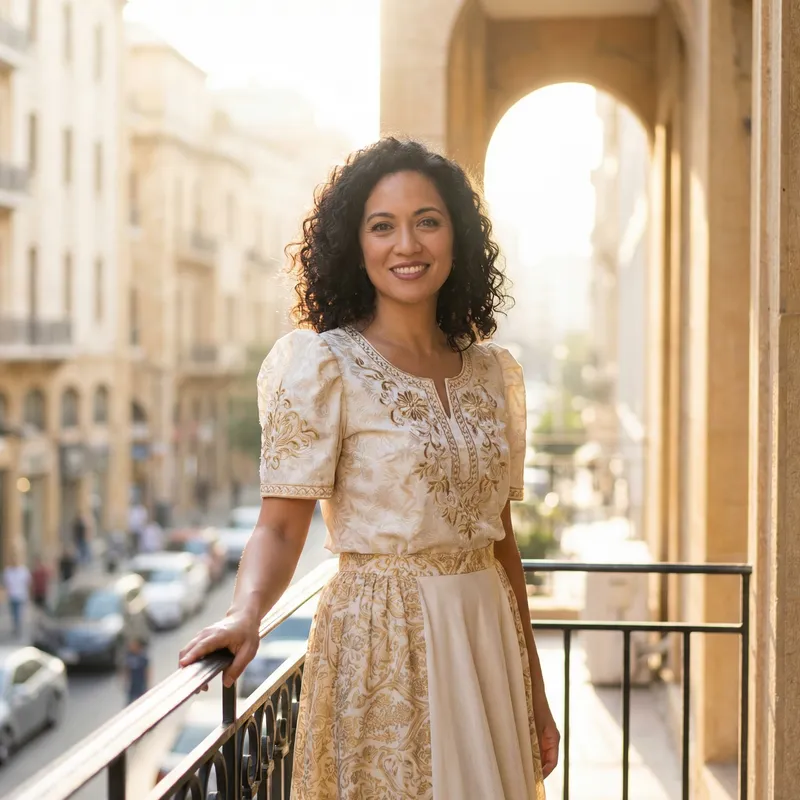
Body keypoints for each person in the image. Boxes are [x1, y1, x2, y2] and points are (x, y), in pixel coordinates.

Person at [180, 138, 559, 799]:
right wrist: (245, 613)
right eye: (382, 226)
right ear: (356, 245)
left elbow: (501, 541)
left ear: (457, 236)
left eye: (427, 221)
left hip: (485, 638)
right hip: (383, 645)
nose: (405, 244)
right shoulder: (324, 366)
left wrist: (533, 684)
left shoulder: (494, 373)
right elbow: (278, 525)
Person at [3, 557, 31, 638]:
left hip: (21, 595)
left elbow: (28, 583)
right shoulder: (8, 571)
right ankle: (16, 626)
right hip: (12, 595)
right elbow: (6, 583)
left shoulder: (23, 570)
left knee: (18, 613)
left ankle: (18, 627)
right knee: (14, 613)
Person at [122, 637, 150, 704]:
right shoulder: (129, 656)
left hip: (141, 683)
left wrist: (148, 682)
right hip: (133, 684)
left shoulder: (142, 657)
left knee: (142, 700)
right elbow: (127, 668)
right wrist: (125, 680)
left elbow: (147, 670)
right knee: (130, 701)